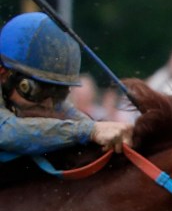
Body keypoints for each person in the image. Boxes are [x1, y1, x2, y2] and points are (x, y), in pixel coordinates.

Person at [0, 12, 131, 159]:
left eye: (58, 93)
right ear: (4, 74)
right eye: (36, 90)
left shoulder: (38, 100)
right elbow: (5, 132)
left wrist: (105, 129)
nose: (49, 104)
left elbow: (66, 112)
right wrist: (89, 130)